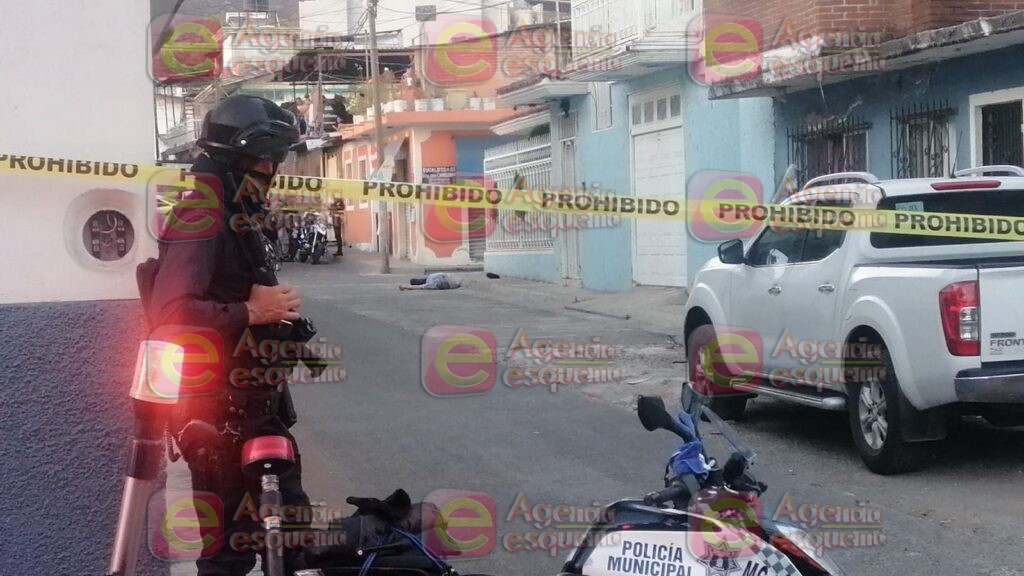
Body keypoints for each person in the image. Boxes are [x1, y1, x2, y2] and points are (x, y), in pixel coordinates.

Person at [146, 94, 312, 576]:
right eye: (265, 161)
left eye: (275, 161)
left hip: (255, 410)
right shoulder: (202, 214)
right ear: (239, 159)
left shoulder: (231, 208)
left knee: (293, 541)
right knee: (228, 554)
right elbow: (169, 314)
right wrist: (251, 310)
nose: (271, 171)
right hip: (217, 417)